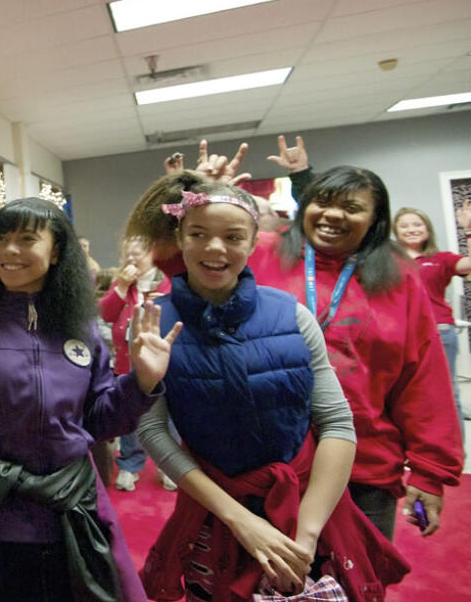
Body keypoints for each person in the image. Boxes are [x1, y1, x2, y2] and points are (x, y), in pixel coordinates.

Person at [125, 161, 464, 541]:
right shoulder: (265, 250)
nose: (333, 214)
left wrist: (430, 469)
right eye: (323, 202)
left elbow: (424, 378)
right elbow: (179, 256)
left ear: (375, 220)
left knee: (346, 587)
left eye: (351, 208)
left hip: (365, 465)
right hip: (266, 466)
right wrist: (209, 198)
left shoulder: (399, 276)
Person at [136, 183, 408, 602]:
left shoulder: (291, 313)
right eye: (198, 233)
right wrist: (238, 519)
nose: (215, 248)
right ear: (179, 237)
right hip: (214, 509)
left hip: (306, 504)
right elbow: (152, 431)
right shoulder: (152, 321)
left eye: (232, 237)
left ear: (251, 242)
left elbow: (335, 421)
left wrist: (308, 532)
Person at [0, 197, 180, 602]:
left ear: (56, 252)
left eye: (27, 239)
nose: (10, 251)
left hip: (73, 507)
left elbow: (100, 420)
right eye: (1, 238)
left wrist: (142, 382)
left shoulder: (79, 323)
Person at [99, 237, 174, 492]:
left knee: (169, 416)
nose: (131, 260)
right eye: (127, 255)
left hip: (166, 360)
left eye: (137, 254)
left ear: (152, 254)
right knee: (130, 415)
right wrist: (120, 286)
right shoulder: (123, 285)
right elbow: (107, 313)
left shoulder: (168, 281)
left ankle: (169, 467)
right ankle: (130, 466)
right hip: (127, 360)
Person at [394, 205, 471, 428]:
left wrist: (469, 229)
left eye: (417, 224)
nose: (411, 229)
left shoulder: (442, 259)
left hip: (440, 332)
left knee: (446, 393)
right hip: (402, 335)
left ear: (427, 229)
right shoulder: (388, 261)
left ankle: (455, 454)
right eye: (404, 225)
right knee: (408, 395)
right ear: (396, 231)